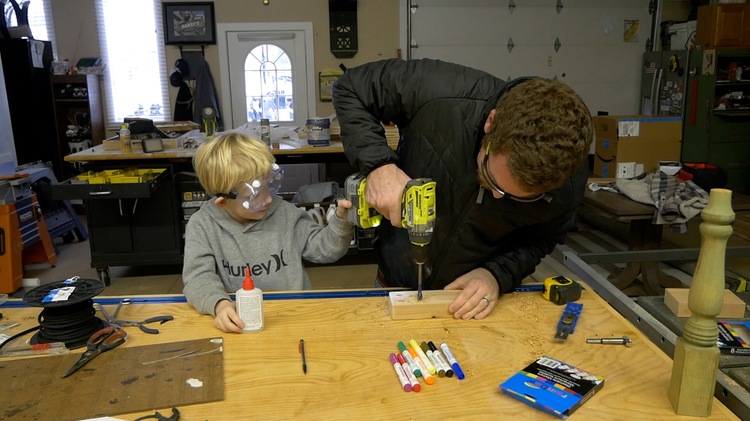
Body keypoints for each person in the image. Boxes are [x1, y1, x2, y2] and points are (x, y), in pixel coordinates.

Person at [333, 58, 593, 321]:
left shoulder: (567, 179)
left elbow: (541, 239)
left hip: (468, 305)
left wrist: (495, 274)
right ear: (491, 123)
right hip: (393, 282)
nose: (497, 196)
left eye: (517, 199)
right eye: (492, 178)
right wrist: (379, 166)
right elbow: (350, 86)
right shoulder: (443, 90)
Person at [182, 132, 354, 333]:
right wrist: (220, 304)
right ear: (223, 202)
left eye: (269, 187)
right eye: (255, 196)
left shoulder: (285, 214)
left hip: (294, 316)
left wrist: (341, 221)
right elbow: (198, 278)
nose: (268, 200)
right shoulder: (202, 225)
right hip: (240, 320)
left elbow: (326, 250)